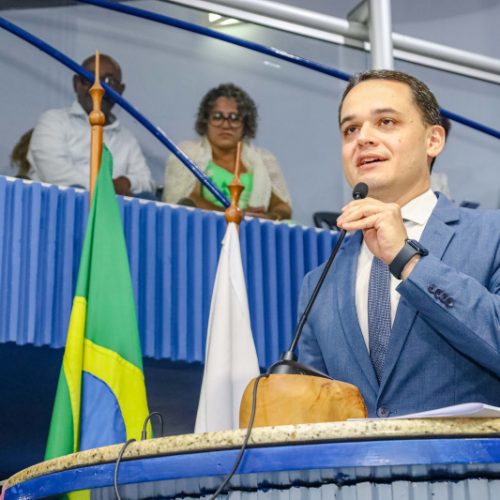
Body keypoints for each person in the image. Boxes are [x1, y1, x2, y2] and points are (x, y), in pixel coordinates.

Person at [298, 70, 500, 418]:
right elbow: (316, 413)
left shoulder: (491, 235)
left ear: (433, 140)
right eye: (350, 129)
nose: (363, 138)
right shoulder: (319, 283)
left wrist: (408, 259)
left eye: (386, 122)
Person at [27, 54, 155, 196]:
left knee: (147, 197)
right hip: (61, 205)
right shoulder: (53, 121)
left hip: (113, 207)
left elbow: (147, 182)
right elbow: (54, 173)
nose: (98, 88)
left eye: (109, 81)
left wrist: (127, 182)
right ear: (77, 84)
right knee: (74, 192)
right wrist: (106, 188)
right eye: (90, 79)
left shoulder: (127, 139)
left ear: (120, 90)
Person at [163, 83, 292, 220]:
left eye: (234, 118)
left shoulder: (264, 160)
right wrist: (235, 217)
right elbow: (188, 200)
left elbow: (283, 207)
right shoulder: (188, 154)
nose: (225, 125)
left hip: (253, 229)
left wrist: (270, 217)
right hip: (204, 224)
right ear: (206, 121)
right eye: (217, 117)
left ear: (245, 124)